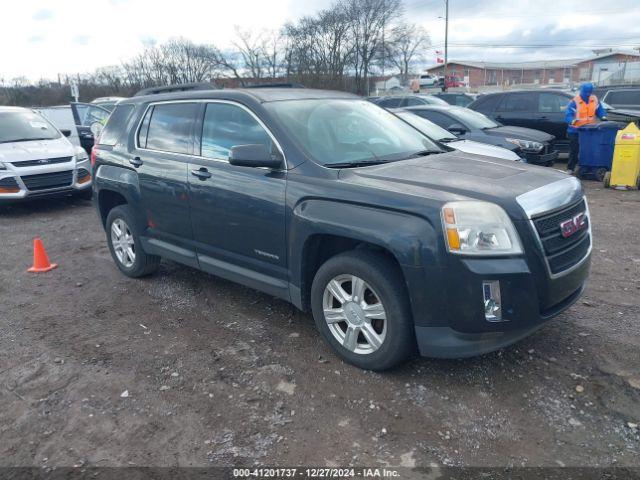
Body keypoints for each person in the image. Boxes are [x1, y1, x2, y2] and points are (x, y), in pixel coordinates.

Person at [565, 82, 607, 174]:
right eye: (586, 92)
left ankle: (587, 167)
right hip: (575, 130)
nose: (588, 94)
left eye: (589, 92)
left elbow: (599, 109)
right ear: (582, 91)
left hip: (589, 131)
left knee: (590, 149)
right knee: (574, 150)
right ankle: (570, 168)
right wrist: (571, 120)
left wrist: (603, 116)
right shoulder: (575, 101)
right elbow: (568, 114)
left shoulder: (594, 99)